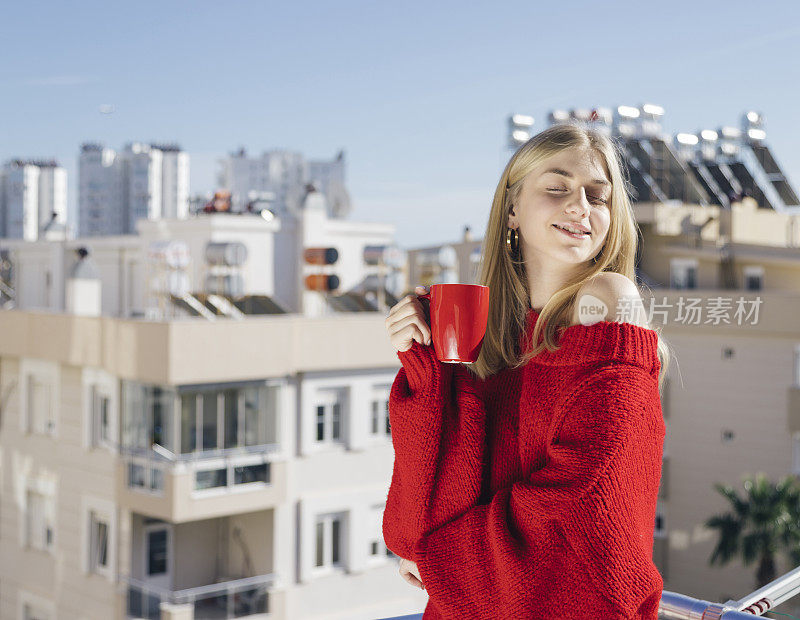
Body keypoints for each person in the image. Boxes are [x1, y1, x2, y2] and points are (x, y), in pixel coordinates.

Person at [382, 122, 671, 619]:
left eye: (597, 196)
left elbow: (585, 509)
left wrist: (444, 563)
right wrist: (425, 364)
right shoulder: (486, 337)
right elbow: (418, 524)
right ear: (512, 209)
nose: (580, 205)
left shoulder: (610, 300)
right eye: (556, 188)